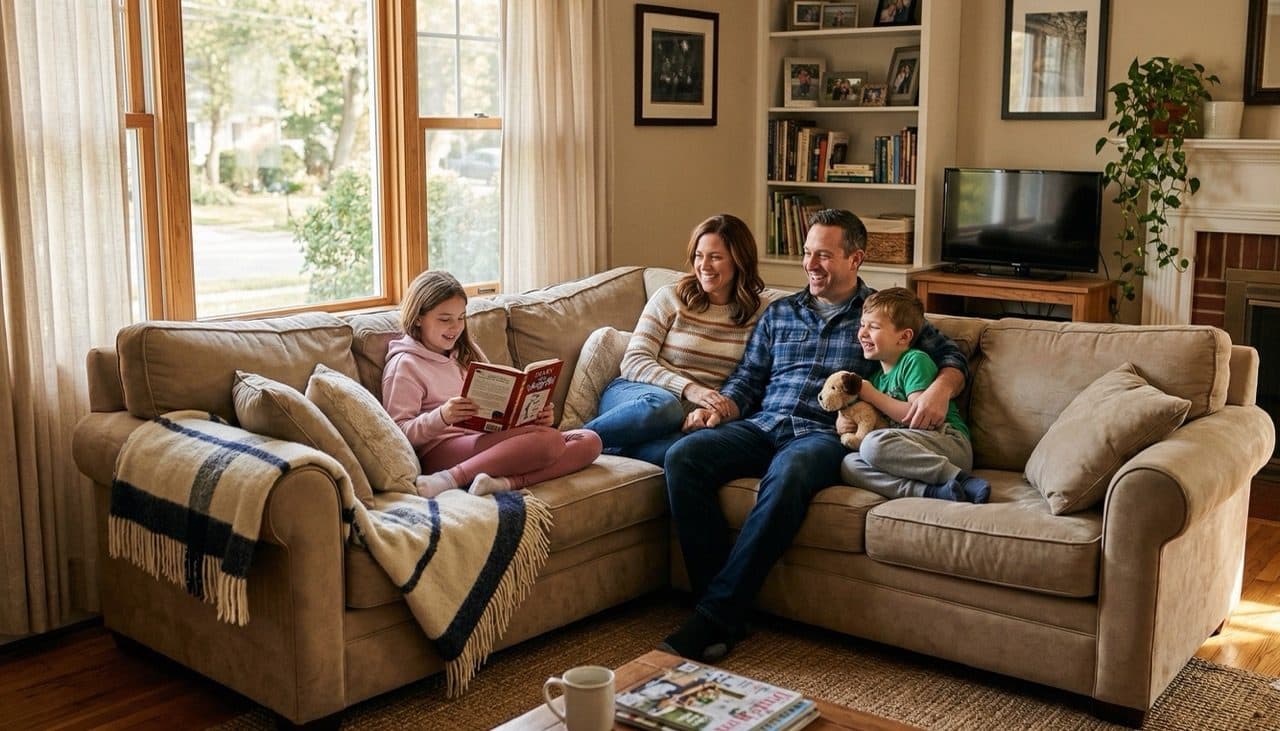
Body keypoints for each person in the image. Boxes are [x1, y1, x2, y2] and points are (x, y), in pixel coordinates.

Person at [659, 209, 968, 663]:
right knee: (684, 457)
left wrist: (941, 388)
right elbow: (749, 379)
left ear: (855, 258)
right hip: (763, 425)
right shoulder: (780, 312)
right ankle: (720, 609)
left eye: (824, 254)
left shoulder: (879, 315)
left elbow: (951, 353)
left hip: (822, 436)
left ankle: (712, 617)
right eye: (807, 253)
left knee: (790, 472)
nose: (810, 264)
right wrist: (719, 408)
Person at [382, 270, 602, 497]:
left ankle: (503, 483)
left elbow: (500, 399)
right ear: (418, 317)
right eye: (445, 319)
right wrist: (442, 415)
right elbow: (398, 433)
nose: (455, 328)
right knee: (550, 441)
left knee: (590, 441)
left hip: (484, 439)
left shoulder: (467, 351)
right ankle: (451, 478)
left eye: (461, 318)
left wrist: (533, 414)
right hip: (442, 449)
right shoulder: (405, 365)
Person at [584, 214, 767, 466]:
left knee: (684, 454)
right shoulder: (671, 298)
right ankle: (569, 442)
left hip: (687, 419)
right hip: (638, 398)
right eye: (699, 256)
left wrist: (710, 412)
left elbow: (753, 381)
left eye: (715, 257)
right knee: (665, 405)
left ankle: (610, 448)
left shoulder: (760, 317)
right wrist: (690, 389)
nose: (704, 265)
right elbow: (634, 362)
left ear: (739, 261)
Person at [838, 287, 990, 503]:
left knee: (873, 444)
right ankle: (934, 492)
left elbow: (918, 417)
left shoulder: (914, 361)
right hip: (911, 452)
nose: (862, 333)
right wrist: (844, 422)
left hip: (947, 443)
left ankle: (962, 479)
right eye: (862, 325)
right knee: (849, 465)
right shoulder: (877, 378)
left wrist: (871, 395)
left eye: (873, 327)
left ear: (904, 337)